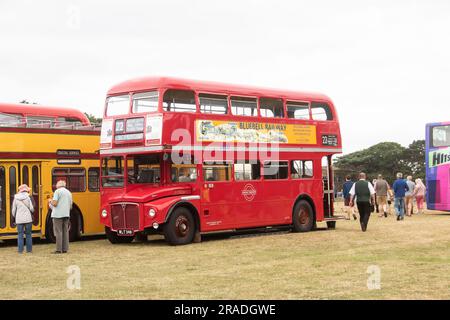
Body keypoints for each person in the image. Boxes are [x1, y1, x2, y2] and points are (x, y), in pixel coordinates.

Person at [49, 180, 73, 254]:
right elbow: (71, 205)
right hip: (66, 214)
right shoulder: (69, 192)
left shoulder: (57, 191)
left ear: (58, 185)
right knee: (65, 231)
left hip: (57, 214)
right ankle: (65, 249)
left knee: (58, 231)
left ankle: (58, 249)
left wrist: (50, 201)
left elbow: (55, 203)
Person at [11, 184, 34, 254]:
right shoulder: (28, 197)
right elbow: (32, 208)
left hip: (19, 219)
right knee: (28, 234)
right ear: (26, 190)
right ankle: (29, 250)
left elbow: (13, 210)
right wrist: (31, 212)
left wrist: (14, 216)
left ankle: (20, 250)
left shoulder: (16, 198)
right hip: (28, 219)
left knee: (20, 235)